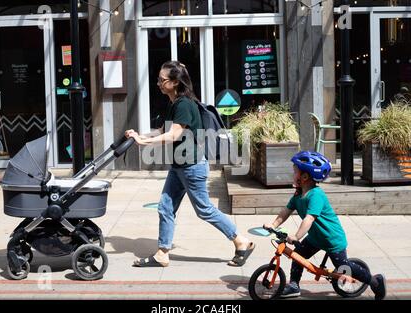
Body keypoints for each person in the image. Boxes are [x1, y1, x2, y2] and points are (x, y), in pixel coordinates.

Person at [125, 60, 255, 267]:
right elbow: (163, 130)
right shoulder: (174, 102)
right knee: (165, 207)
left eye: (162, 79)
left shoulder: (184, 104)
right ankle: (162, 253)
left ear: (175, 82)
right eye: (158, 79)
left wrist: (145, 142)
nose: (158, 82)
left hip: (191, 166)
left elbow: (174, 134)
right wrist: (139, 136)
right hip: (179, 166)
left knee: (204, 209)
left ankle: (241, 242)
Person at [263, 151, 387, 300]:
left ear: (305, 176)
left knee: (344, 266)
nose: (293, 173)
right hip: (316, 237)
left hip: (332, 239)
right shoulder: (298, 194)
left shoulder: (316, 195)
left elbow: (309, 219)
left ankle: (375, 281)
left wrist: (296, 236)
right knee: (298, 256)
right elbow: (286, 211)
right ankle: (294, 286)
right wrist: (273, 224)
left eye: (295, 170)